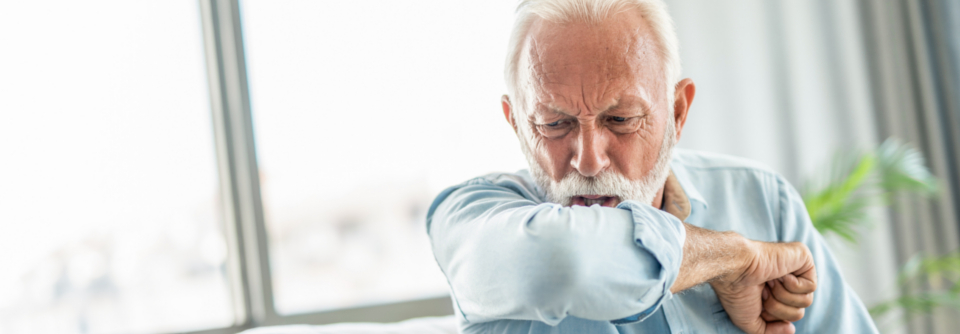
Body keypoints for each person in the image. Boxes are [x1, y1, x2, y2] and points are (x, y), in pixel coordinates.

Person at [426, 0, 878, 333]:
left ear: (678, 113)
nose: (587, 159)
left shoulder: (762, 199)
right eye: (554, 123)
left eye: (621, 120)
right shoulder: (470, 218)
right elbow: (561, 263)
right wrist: (734, 258)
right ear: (516, 125)